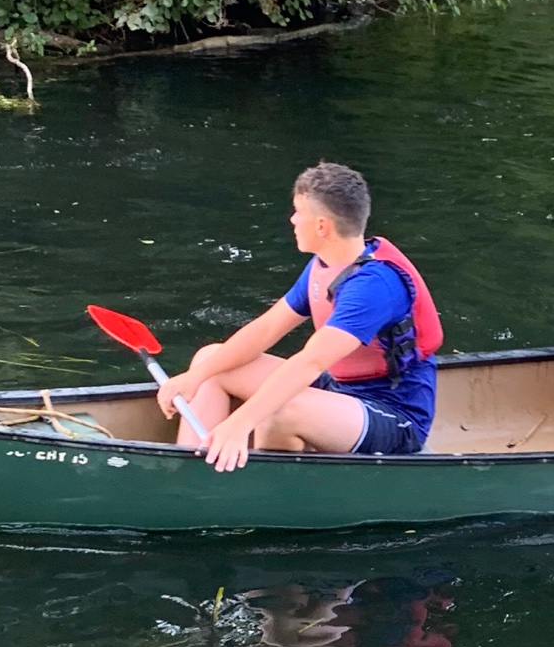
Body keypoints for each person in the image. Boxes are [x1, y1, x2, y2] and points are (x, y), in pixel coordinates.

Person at [154, 162, 442, 470]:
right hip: (340, 390)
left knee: (279, 410)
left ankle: (270, 485)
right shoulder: (327, 263)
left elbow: (311, 361)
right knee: (212, 362)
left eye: (298, 212)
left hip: (393, 414)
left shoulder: (372, 287)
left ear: (321, 226)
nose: (292, 219)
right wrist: (195, 377)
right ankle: (192, 472)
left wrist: (240, 422)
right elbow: (266, 328)